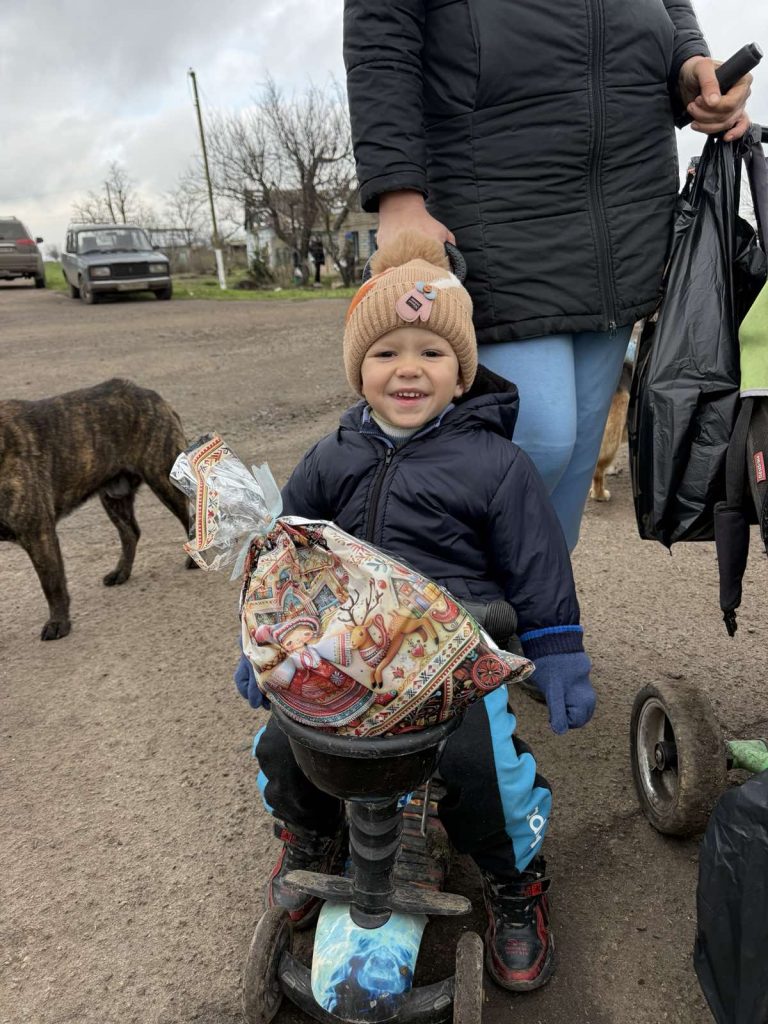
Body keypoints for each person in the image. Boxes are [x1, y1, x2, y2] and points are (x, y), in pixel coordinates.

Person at [235, 232, 596, 992]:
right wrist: (263, 646)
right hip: (344, 653)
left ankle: (513, 877)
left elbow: (537, 560)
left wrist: (558, 647)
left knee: (482, 765)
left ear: (461, 375)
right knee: (283, 745)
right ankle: (309, 832)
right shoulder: (332, 454)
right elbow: (284, 553)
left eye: (431, 354)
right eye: (386, 353)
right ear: (358, 370)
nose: (407, 368)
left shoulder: (497, 464)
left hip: (450, 656)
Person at [343, 0, 752, 551]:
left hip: (625, 211)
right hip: (495, 200)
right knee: (538, 441)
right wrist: (397, 194)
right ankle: (442, 618)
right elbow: (382, 31)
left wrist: (691, 62)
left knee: (579, 452)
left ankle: (540, 623)